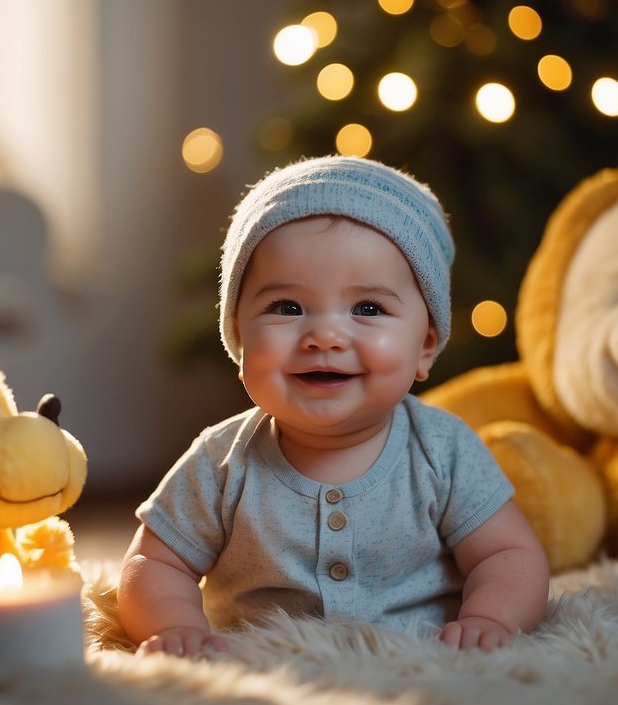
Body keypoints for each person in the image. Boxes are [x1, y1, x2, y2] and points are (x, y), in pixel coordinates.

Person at [118, 156, 549, 657]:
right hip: (268, 668)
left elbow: (508, 553)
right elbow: (153, 564)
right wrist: (175, 626)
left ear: (425, 347)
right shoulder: (220, 462)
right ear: (239, 340)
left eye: (368, 309)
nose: (324, 335)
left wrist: (489, 618)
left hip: (414, 664)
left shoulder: (443, 450)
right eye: (287, 308)